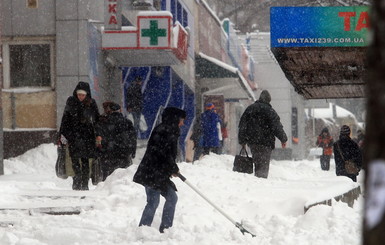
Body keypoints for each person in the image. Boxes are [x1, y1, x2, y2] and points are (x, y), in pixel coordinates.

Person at [133, 107, 186, 233]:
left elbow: (166, 155)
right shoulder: (165, 131)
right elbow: (162, 153)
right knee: (153, 201)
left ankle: (166, 228)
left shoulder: (169, 130)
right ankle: (143, 229)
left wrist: (170, 168)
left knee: (172, 198)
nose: (183, 123)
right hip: (151, 173)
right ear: (175, 118)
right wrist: (172, 167)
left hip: (159, 174)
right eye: (182, 120)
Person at [59, 81, 100, 190]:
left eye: (83, 95)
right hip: (74, 135)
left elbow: (97, 120)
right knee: (75, 159)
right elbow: (65, 119)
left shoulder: (91, 103)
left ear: (87, 95)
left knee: (86, 160)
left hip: (87, 136)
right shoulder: (71, 102)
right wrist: (62, 134)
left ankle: (85, 182)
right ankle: (77, 179)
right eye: (79, 95)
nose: (80, 97)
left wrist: (99, 134)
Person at [238, 90, 288, 178]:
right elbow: (277, 126)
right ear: (268, 100)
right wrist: (283, 139)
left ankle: (257, 180)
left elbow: (243, 125)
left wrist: (242, 140)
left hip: (253, 142)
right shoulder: (270, 111)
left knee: (257, 161)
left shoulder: (250, 109)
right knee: (263, 165)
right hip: (266, 143)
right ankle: (261, 183)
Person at [95, 102, 136, 181]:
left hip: (109, 152)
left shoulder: (104, 122)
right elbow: (133, 138)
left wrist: (100, 151)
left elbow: (101, 138)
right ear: (120, 110)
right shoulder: (127, 122)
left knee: (108, 176)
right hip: (125, 152)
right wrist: (133, 151)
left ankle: (107, 188)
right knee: (123, 175)